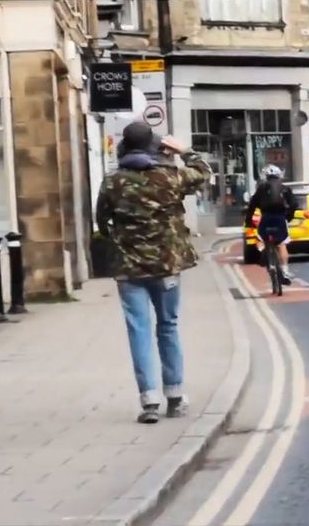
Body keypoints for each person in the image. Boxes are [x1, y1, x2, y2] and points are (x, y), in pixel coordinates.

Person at [95, 122, 212, 424]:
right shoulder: (170, 177)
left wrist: (123, 240)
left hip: (128, 268)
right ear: (154, 146)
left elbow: (102, 222)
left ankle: (149, 401)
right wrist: (184, 151)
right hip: (166, 266)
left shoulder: (112, 182)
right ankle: (175, 396)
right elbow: (204, 173)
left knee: (139, 330)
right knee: (168, 326)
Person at [245, 165, 297, 284]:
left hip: (266, 217)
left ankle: (263, 252)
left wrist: (249, 221)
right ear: (279, 176)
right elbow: (294, 204)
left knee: (261, 238)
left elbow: (252, 205)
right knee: (282, 244)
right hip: (280, 218)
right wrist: (289, 216)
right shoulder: (284, 188)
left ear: (266, 177)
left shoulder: (261, 188)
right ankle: (285, 271)